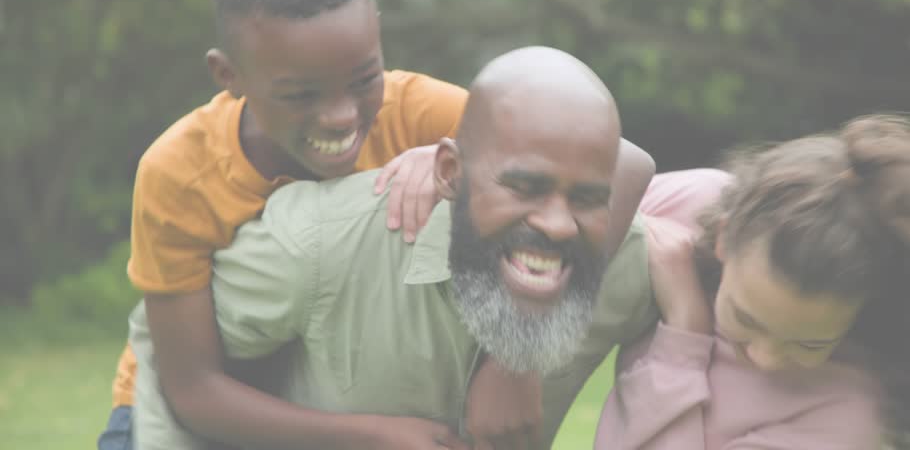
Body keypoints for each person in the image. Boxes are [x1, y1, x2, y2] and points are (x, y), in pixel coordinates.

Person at [127, 46, 728, 450]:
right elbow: (173, 368)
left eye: (588, 197)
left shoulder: (630, 265)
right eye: (525, 187)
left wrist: (686, 323)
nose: (559, 225)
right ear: (448, 171)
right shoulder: (313, 244)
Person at [97, 0, 550, 449]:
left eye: (363, 80)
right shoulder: (179, 173)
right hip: (211, 408)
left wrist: (515, 355)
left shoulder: (422, 115)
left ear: (376, 35)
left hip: (346, 385)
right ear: (229, 76)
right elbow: (193, 389)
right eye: (300, 94)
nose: (341, 116)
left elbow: (589, 174)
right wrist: (373, 437)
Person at [595, 115, 910, 449]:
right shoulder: (690, 202)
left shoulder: (845, 414)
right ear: (723, 235)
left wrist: (685, 329)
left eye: (810, 344)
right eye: (744, 318)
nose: (765, 357)